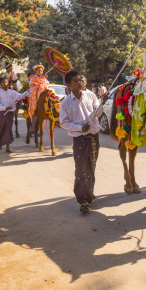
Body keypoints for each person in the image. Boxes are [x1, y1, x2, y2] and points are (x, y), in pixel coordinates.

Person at [60, 70, 106, 213]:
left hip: (93, 136)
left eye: (80, 80)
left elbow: (97, 113)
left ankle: (89, 192)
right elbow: (63, 123)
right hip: (79, 138)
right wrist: (80, 127)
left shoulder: (91, 95)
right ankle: (83, 199)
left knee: (91, 165)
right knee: (81, 168)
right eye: (76, 81)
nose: (80, 83)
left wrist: (102, 104)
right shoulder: (66, 103)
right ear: (68, 85)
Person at [0, 76, 22, 153]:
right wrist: (5, 108)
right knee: (0, 129)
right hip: (2, 113)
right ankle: (0, 142)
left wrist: (30, 90)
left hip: (9, 114)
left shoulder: (12, 92)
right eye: (3, 82)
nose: (5, 84)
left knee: (8, 129)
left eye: (6, 82)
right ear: (0, 84)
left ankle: (7, 147)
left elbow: (20, 96)